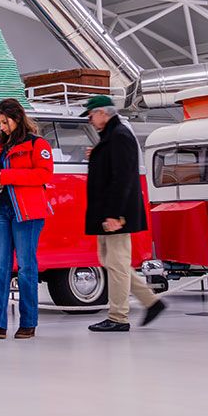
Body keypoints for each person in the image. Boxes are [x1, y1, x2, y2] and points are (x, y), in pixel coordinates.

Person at [83, 95, 165, 332]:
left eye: (91, 115)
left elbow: (123, 178)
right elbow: (113, 168)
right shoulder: (111, 137)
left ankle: (118, 317)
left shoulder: (120, 136)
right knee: (110, 261)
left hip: (115, 215)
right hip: (108, 213)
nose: (90, 120)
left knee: (117, 263)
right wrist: (97, 156)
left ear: (102, 113)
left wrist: (115, 215)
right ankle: (151, 302)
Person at [0, 98, 54, 340]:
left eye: (4, 122)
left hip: (27, 211)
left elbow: (44, 174)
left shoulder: (38, 144)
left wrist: (6, 176)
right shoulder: (0, 145)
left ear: (17, 118)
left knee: (27, 267)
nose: (1, 127)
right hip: (2, 208)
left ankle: (28, 322)